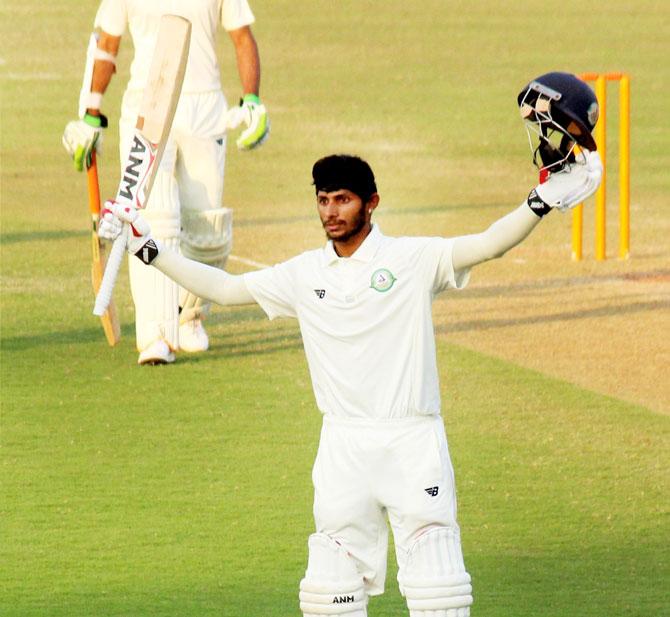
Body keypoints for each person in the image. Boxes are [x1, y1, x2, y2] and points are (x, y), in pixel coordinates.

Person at [98, 141, 602, 615]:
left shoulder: (412, 260)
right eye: (323, 200)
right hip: (342, 445)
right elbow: (227, 290)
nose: (331, 211)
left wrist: (537, 202)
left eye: (342, 199)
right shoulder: (304, 274)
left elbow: (489, 245)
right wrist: (148, 250)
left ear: (371, 202)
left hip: (411, 441)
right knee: (329, 588)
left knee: (438, 588)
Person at [62, 0, 269, 365]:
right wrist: (91, 113)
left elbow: (242, 37)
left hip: (204, 108)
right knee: (152, 219)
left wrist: (252, 99)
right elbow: (107, 46)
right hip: (147, 102)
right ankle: (155, 336)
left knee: (209, 231)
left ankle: (188, 316)